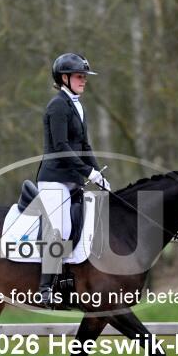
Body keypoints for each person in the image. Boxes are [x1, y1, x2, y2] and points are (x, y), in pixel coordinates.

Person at [36, 53, 110, 308]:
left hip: (73, 180)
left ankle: (74, 281)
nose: (84, 80)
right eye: (79, 76)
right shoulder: (57, 106)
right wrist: (87, 173)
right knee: (61, 229)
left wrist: (99, 174)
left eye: (85, 76)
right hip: (54, 179)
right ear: (64, 78)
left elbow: (85, 146)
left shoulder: (77, 106)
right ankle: (45, 288)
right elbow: (61, 147)